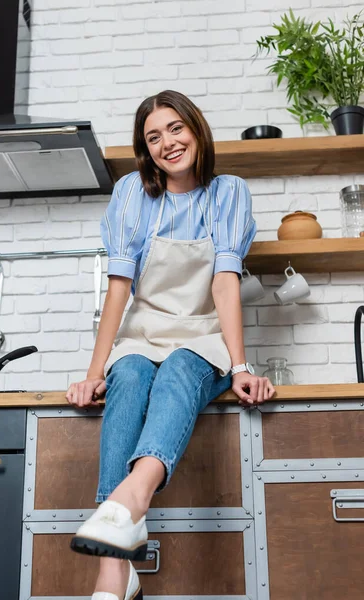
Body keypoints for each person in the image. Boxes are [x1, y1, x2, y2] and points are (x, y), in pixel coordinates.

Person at [66, 89, 275, 600]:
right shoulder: (132, 194)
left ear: (196, 129)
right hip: (143, 332)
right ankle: (120, 552)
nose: (167, 143)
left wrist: (242, 364)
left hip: (204, 337)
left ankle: (127, 513)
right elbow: (118, 290)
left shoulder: (228, 192)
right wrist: (96, 371)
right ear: (145, 148)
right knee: (131, 373)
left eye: (175, 129)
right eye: (153, 136)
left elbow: (225, 284)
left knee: (180, 366)